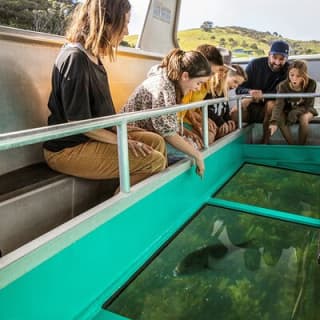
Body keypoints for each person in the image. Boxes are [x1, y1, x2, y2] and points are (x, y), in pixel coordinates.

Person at [43, 0, 167, 189]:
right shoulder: (75, 59)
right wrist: (122, 141)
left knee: (156, 142)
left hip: (93, 136)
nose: (126, 31)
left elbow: (100, 114)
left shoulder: (94, 58)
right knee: (154, 160)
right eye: (124, 23)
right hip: (68, 148)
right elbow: (80, 123)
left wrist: (124, 135)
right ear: (106, 22)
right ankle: (121, 208)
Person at [121, 48, 212, 177]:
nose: (198, 88)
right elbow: (167, 132)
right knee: (186, 154)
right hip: (132, 136)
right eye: (198, 83)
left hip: (151, 134)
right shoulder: (162, 87)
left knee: (193, 145)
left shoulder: (171, 83)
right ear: (185, 76)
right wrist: (197, 156)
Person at [234, 40, 290, 143]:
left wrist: (262, 95)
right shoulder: (255, 64)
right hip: (254, 108)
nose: (277, 62)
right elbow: (239, 89)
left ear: (286, 59)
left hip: (275, 110)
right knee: (235, 111)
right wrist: (250, 93)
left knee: (271, 105)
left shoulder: (289, 70)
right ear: (269, 55)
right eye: (274, 57)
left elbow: (285, 95)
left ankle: (265, 142)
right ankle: (237, 145)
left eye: (282, 59)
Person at [178, 44, 232, 146]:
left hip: (188, 118)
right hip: (182, 120)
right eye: (219, 70)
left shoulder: (205, 82)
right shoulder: (190, 81)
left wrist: (204, 119)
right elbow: (185, 107)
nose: (219, 74)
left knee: (210, 134)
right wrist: (197, 123)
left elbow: (196, 106)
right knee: (205, 139)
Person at [269, 60, 317, 144]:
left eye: (298, 76)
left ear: (304, 75)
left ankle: (301, 147)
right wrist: (273, 122)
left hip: (307, 109)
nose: (294, 78)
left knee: (304, 118)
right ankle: (292, 145)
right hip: (289, 110)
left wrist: (295, 112)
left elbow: (308, 105)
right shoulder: (283, 85)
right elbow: (279, 104)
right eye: (292, 75)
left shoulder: (311, 83)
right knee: (280, 117)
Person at [206, 64, 247, 138]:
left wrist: (228, 120)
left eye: (238, 84)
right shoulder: (210, 90)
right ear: (226, 76)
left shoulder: (225, 93)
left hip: (219, 123)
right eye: (235, 82)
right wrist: (221, 122)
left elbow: (225, 110)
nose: (235, 86)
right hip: (211, 122)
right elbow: (206, 110)